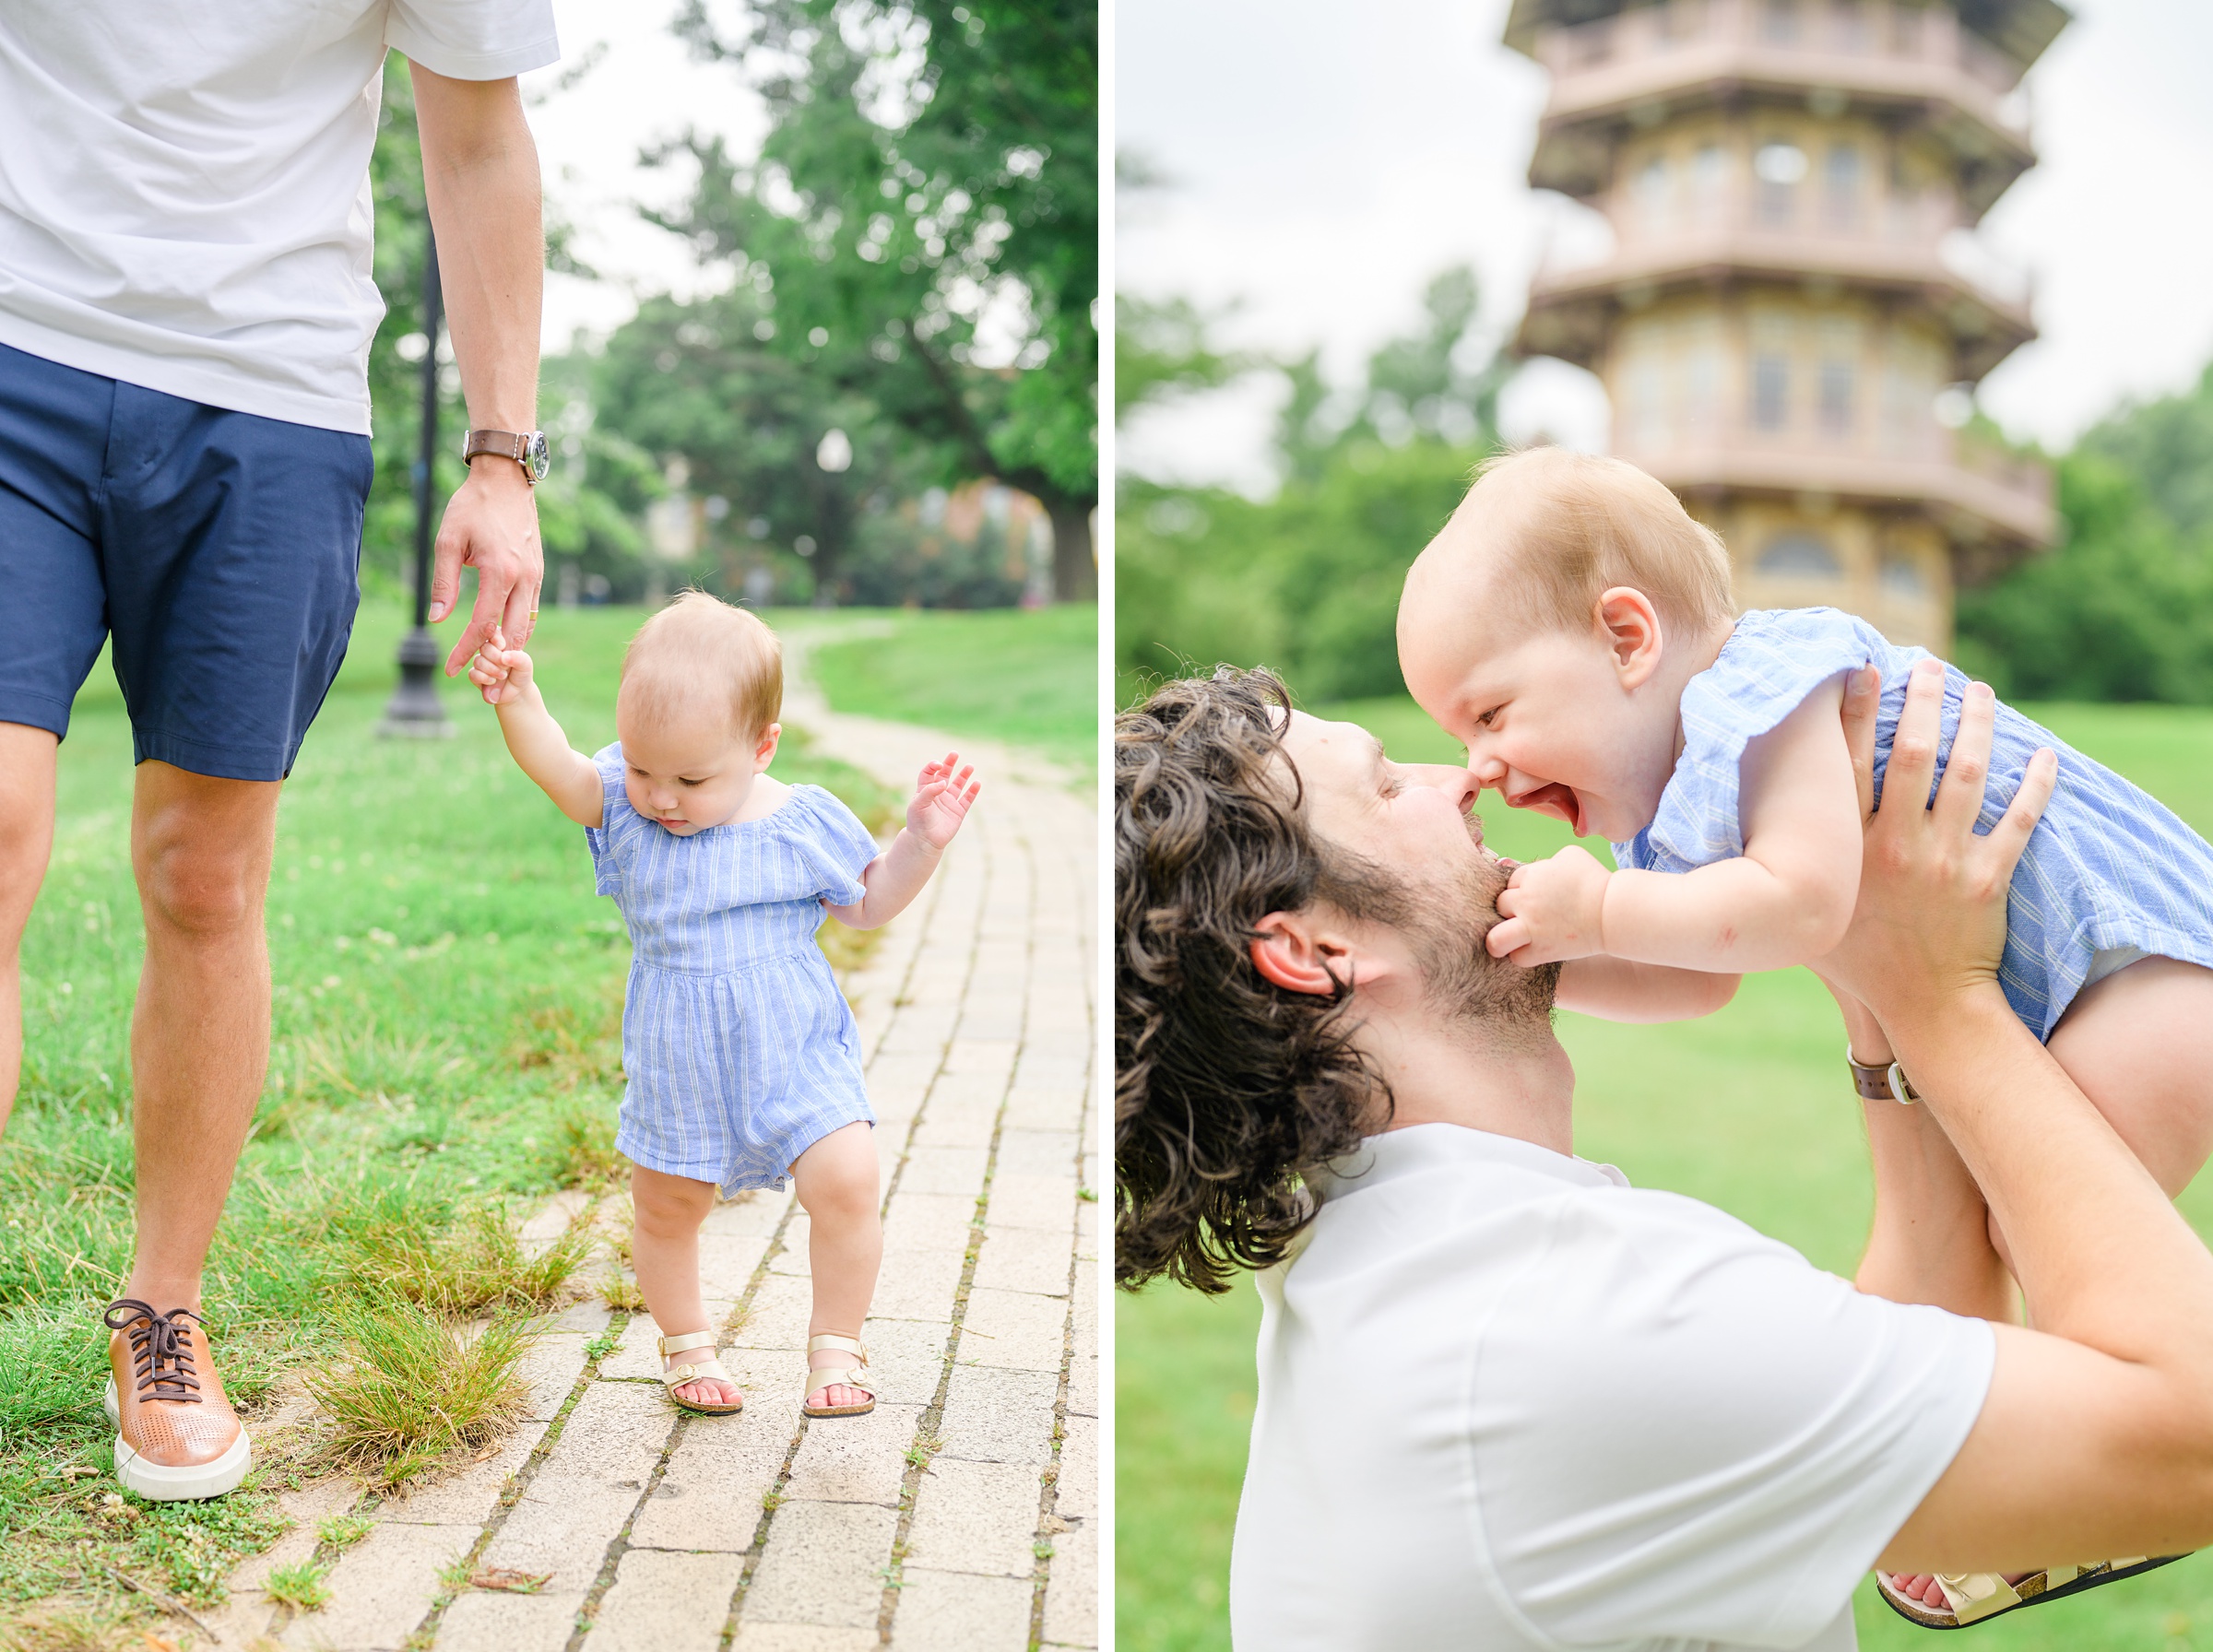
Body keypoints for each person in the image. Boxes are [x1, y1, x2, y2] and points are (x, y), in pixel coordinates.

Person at [1115, 660, 2213, 1646]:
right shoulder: (1570, 1321)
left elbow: (1917, 1398)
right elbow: (2193, 1442)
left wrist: (1877, 987)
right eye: (1389, 785)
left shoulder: (1416, 1264)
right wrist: (1948, 1001)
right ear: (1313, 950)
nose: (1457, 779)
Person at [0, 4, 558, 1500]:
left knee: (203, 873)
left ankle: (161, 1312)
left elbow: (481, 141)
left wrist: (502, 457)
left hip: (271, 399)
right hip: (14, 335)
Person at [1396, 449, 2213, 1270]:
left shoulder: (1763, 692)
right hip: (2085, 987)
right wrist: (1536, 950)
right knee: (2014, 1225)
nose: (1479, 766)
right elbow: (1693, 977)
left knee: (2048, 1231)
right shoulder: (1669, 809)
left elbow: (1802, 904)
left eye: (1492, 714)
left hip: (2146, 964)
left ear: (1626, 637)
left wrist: (1602, 912)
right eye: (1461, 737)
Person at [467, 594, 979, 1417]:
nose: (661, 797)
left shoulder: (800, 821)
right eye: (641, 768)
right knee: (668, 1205)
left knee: (847, 1179)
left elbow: (869, 902)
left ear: (761, 745)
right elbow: (560, 770)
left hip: (793, 1045)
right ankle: (687, 1342)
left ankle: (836, 1347)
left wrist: (919, 842)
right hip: (679, 1055)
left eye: (691, 778)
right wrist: (519, 698)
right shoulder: (626, 810)